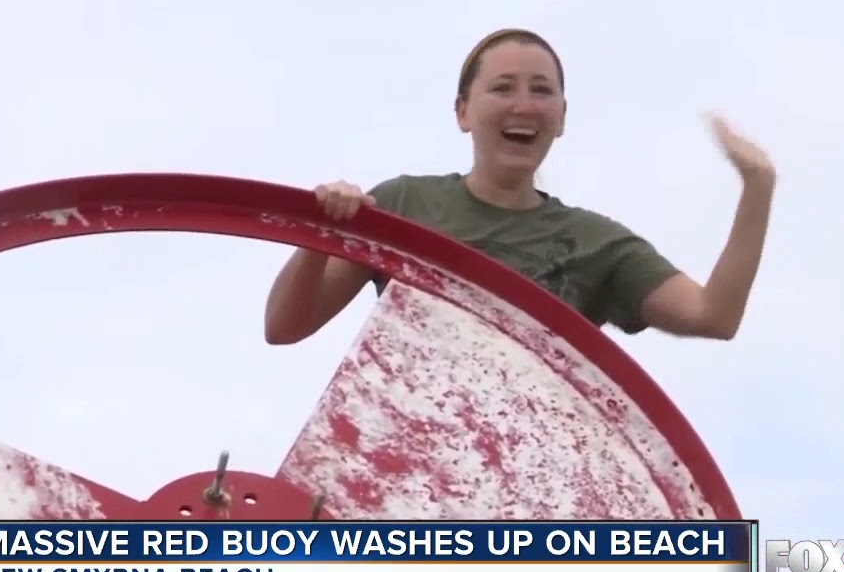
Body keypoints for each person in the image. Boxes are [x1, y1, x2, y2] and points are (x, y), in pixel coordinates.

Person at [264, 28, 776, 345]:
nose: (524, 105)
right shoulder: (402, 202)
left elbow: (714, 316)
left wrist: (758, 184)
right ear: (463, 112)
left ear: (561, 117)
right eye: (502, 88)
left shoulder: (598, 244)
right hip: (396, 466)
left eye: (542, 91)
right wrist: (321, 235)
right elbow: (284, 327)